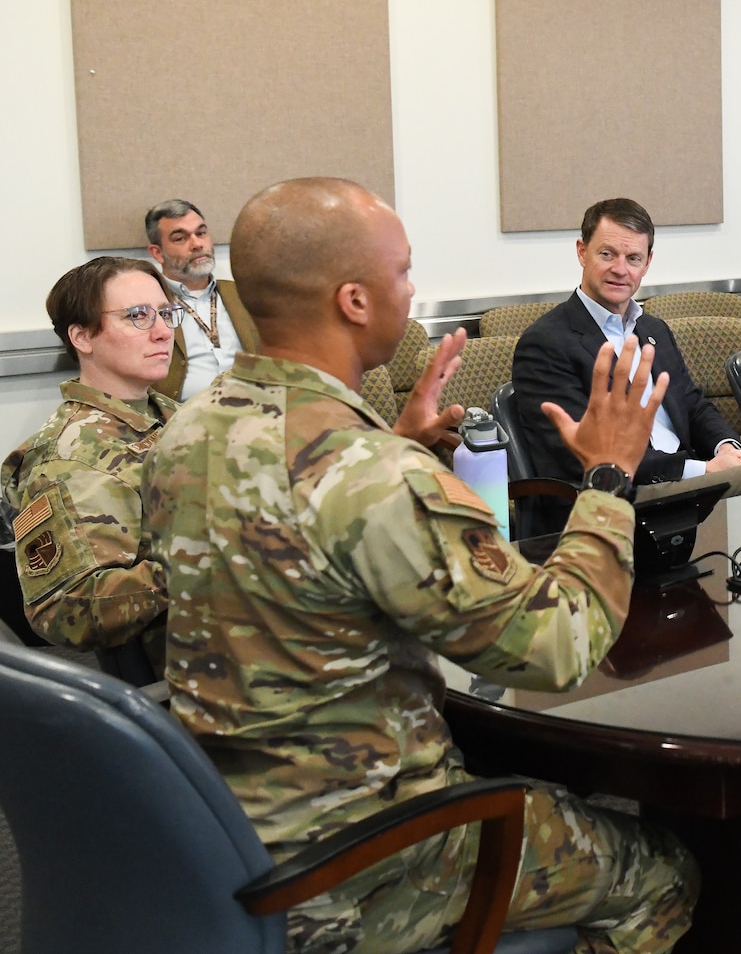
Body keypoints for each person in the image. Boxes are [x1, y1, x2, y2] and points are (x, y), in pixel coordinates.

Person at [143, 177, 697, 954]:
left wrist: (396, 442)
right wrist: (608, 477)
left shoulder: (188, 429)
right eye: (402, 272)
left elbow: (299, 536)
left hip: (224, 829)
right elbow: (558, 650)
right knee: (664, 868)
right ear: (355, 301)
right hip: (367, 858)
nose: (413, 289)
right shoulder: (373, 474)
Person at [513, 197, 741, 498]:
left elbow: (693, 406)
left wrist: (726, 446)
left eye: (633, 258)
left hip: (687, 477)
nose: (621, 269)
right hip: (625, 494)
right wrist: (702, 470)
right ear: (582, 252)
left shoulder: (653, 329)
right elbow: (579, 455)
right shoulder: (546, 343)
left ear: (647, 262)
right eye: (607, 254)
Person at [2, 257, 179, 667]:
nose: (162, 331)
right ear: (82, 337)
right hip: (196, 669)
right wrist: (200, 562)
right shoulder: (71, 459)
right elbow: (68, 610)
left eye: (167, 313)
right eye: (137, 316)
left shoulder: (166, 413)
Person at [143, 199, 261, 399]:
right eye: (180, 238)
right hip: (182, 419)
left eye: (201, 233)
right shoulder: (148, 306)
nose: (197, 244)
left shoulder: (244, 294)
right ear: (157, 253)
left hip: (256, 412)